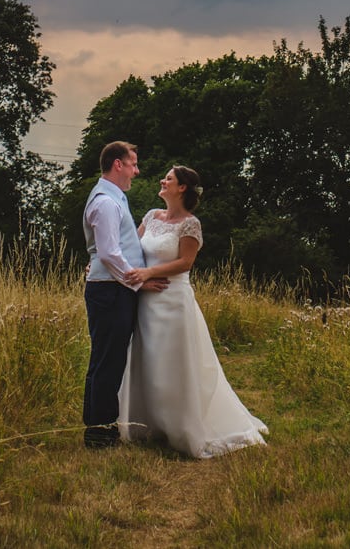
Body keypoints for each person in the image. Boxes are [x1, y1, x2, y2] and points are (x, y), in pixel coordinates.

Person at [118, 165, 269, 458]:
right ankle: (148, 424)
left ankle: (181, 426)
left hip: (173, 301)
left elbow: (185, 262)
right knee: (146, 359)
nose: (162, 181)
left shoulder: (191, 224)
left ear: (182, 188)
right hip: (146, 301)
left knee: (173, 362)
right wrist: (104, 263)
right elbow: (130, 249)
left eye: (169, 179)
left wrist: (148, 272)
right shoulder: (150, 216)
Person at [81, 140, 163, 448]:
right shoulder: (105, 201)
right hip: (111, 292)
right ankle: (101, 433)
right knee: (108, 362)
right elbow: (109, 253)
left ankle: (97, 429)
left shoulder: (113, 198)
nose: (137, 170)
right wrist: (139, 282)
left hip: (111, 290)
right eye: (133, 164)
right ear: (118, 164)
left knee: (105, 360)